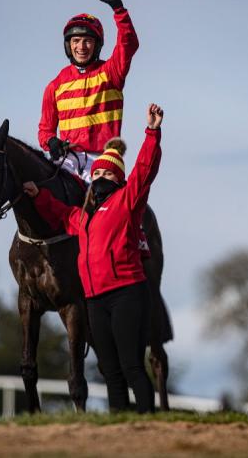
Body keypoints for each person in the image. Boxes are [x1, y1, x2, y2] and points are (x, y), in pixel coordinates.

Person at [23, 103, 164, 413]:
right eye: (96, 172)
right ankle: (118, 429)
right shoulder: (84, 217)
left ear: (117, 179)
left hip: (127, 293)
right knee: (110, 372)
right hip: (96, 301)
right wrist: (38, 196)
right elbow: (62, 214)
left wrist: (152, 133)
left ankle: (149, 426)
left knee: (131, 367)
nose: (99, 176)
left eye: (106, 173)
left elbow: (144, 169)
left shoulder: (128, 201)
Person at [38, 0, 139, 184]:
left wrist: (118, 9)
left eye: (87, 41)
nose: (81, 47)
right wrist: (50, 141)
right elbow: (45, 130)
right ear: (69, 45)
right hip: (68, 159)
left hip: (102, 159)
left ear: (97, 45)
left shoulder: (111, 73)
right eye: (76, 41)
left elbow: (129, 43)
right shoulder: (55, 86)